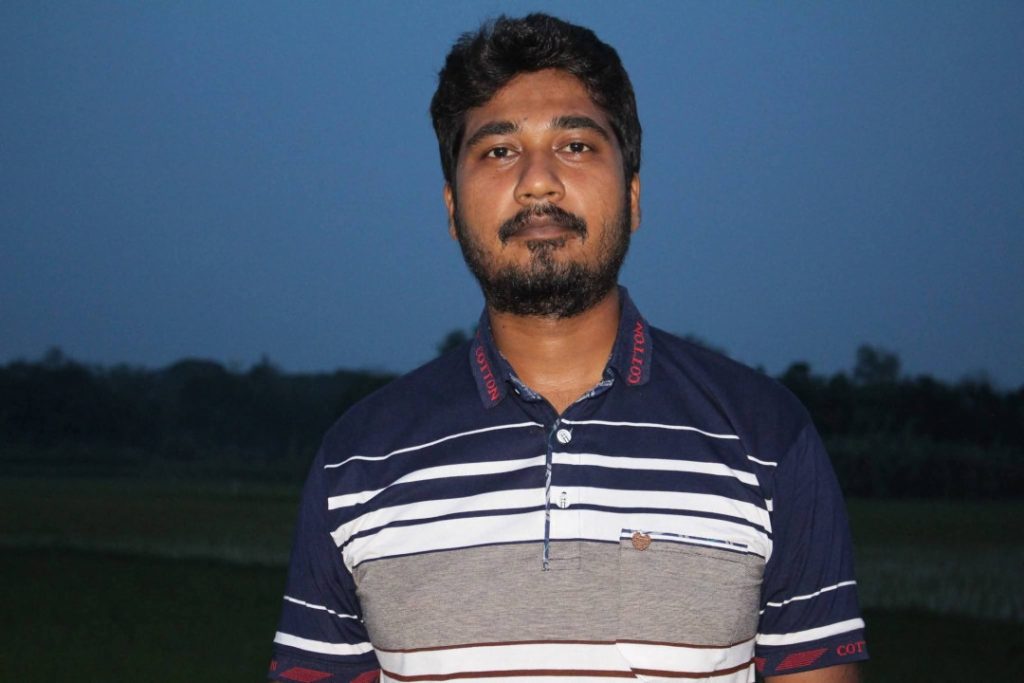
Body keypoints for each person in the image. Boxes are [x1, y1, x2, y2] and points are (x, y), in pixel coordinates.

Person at [269, 13, 867, 683]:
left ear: (633, 197)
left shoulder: (766, 437)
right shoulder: (358, 460)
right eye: (499, 151)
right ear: (451, 209)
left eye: (576, 145)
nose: (538, 182)